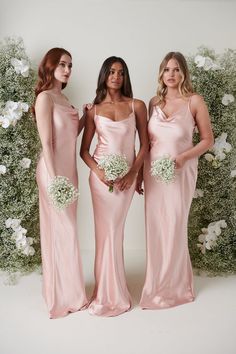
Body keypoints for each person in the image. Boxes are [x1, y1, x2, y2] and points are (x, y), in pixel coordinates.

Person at [139, 52, 214, 309]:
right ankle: (156, 283)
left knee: (175, 224)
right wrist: (140, 173)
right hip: (154, 173)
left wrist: (182, 159)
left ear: (183, 74)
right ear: (161, 73)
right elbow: (147, 143)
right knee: (156, 226)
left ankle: (176, 286)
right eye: (167, 69)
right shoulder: (153, 103)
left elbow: (207, 140)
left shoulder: (194, 101)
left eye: (176, 69)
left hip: (181, 172)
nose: (171, 74)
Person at [80, 56, 148, 317]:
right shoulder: (93, 110)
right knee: (104, 232)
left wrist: (133, 173)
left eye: (121, 73)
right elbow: (84, 151)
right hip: (100, 181)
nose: (116, 77)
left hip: (126, 180)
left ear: (125, 77)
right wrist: (98, 172)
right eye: (111, 72)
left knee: (115, 230)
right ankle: (106, 291)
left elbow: (144, 145)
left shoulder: (137, 105)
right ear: (104, 76)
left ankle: (114, 291)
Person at [33, 48, 88, 318]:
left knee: (69, 230)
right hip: (53, 172)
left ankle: (71, 291)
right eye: (62, 64)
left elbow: (69, 136)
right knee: (61, 229)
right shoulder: (45, 98)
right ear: (51, 66)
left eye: (70, 65)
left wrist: (85, 117)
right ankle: (63, 295)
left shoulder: (64, 98)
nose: (67, 70)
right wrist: (54, 181)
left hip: (70, 172)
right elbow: (47, 142)